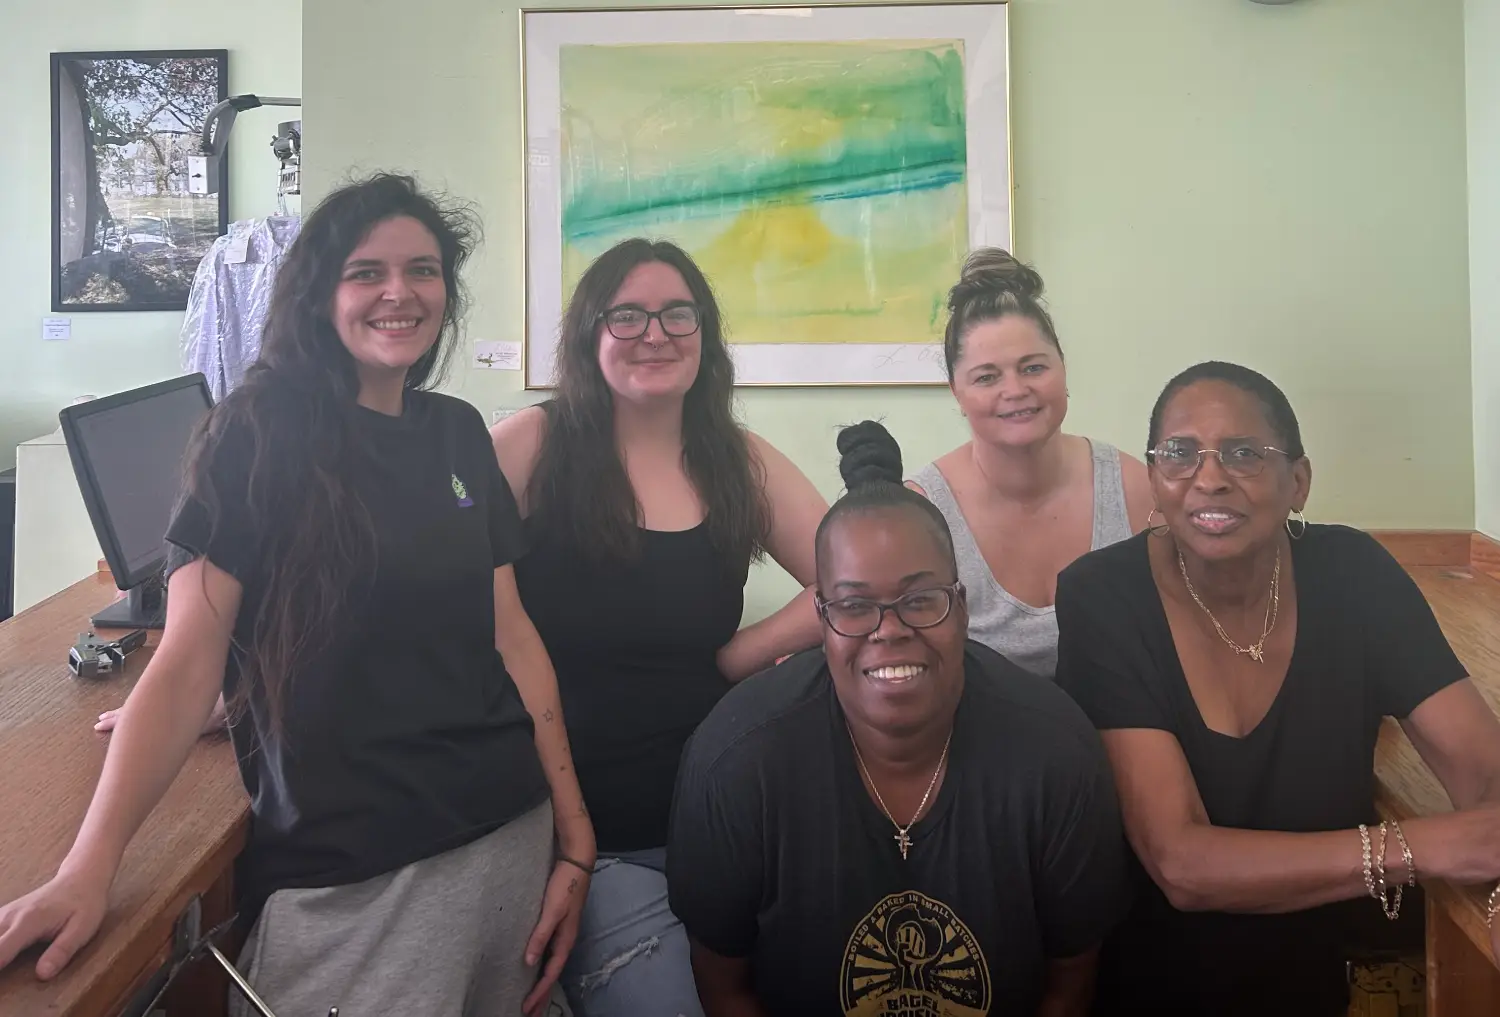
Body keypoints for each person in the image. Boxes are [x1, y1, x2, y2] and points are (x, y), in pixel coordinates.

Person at [0, 174, 590, 1017]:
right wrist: (85, 871)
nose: (400, 292)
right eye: (367, 272)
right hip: (362, 876)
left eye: (423, 269)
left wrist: (573, 832)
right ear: (320, 293)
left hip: (510, 836)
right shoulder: (257, 436)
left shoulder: (457, 430)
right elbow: (182, 665)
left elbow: (511, 637)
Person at [1054, 361, 1500, 1016]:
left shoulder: (1355, 574)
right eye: (1180, 453)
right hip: (1150, 989)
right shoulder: (1102, 595)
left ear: (1299, 481)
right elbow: (1181, 861)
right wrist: (1421, 846)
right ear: (1154, 478)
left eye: (1243, 453)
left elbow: (1484, 769)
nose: (1209, 476)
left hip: (1313, 981)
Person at [667, 420, 1133, 1017]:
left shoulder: (1055, 753)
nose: (890, 631)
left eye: (920, 600)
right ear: (821, 617)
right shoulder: (737, 761)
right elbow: (724, 985)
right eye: (855, 606)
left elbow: (1070, 984)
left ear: (960, 607)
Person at [491, 238, 828, 1016]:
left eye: (678, 313)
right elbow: (427, 590)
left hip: (721, 824)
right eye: (629, 315)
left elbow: (852, 580)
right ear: (589, 333)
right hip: (579, 840)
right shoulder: (531, 448)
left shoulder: (736, 460)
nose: (656, 333)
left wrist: (741, 654)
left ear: (704, 333)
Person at [907, 249, 1153, 677]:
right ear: (955, 392)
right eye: (987, 377)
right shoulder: (923, 512)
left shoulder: (1132, 488)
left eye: (1033, 367)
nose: (1016, 390)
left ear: (1063, 369)